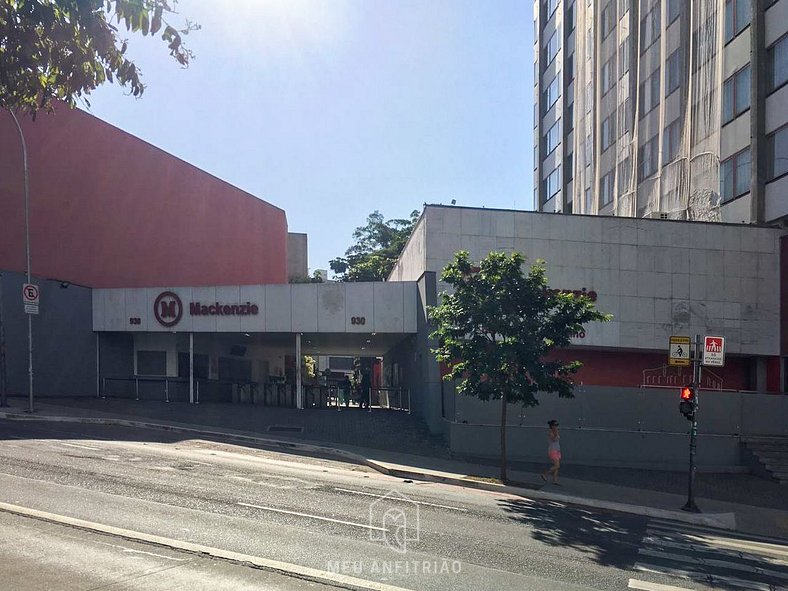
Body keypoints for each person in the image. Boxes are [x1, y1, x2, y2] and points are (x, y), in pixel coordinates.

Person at [541, 419, 561, 484]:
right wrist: (556, 433)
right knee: (557, 465)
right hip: (553, 450)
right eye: (555, 425)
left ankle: (555, 480)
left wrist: (556, 432)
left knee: (556, 466)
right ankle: (545, 474)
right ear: (552, 426)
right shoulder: (551, 432)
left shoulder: (555, 431)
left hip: (557, 450)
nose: (556, 426)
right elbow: (554, 439)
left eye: (557, 425)